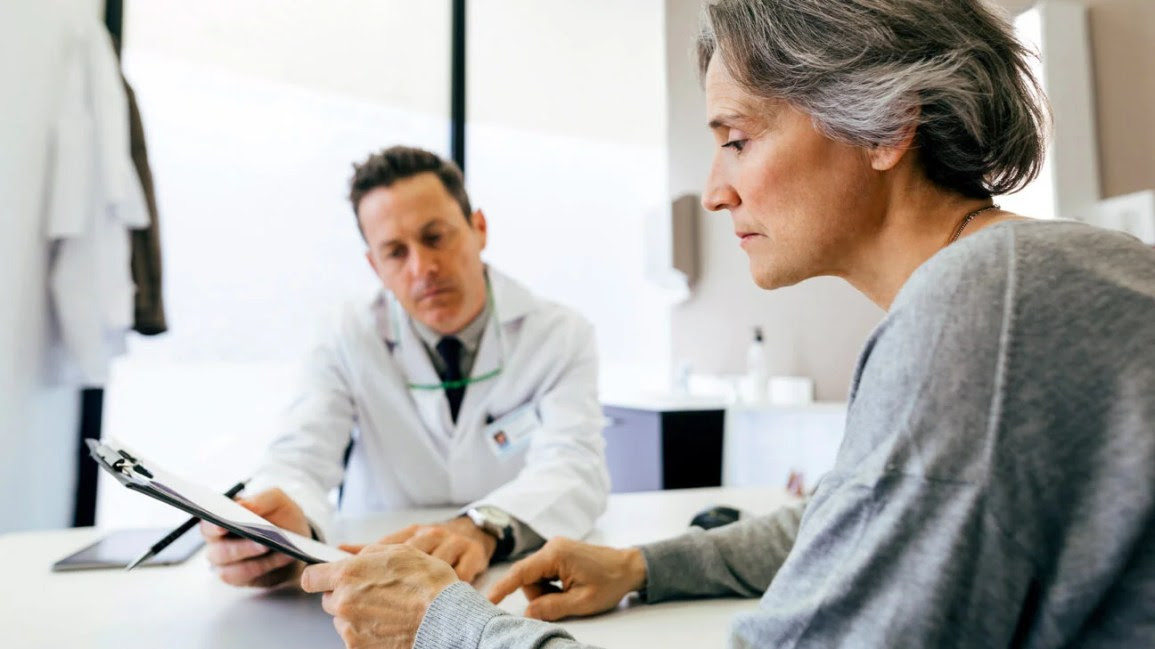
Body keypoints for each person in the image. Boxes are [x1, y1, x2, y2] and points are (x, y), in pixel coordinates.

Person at [298, 0, 1155, 647]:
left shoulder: (978, 311)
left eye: (737, 138)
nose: (713, 190)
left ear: (888, 125)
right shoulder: (1044, 273)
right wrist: (645, 565)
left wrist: (442, 621)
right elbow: (852, 512)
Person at [202, 146, 610, 588]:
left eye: (435, 237)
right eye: (396, 252)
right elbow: (300, 457)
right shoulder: (345, 335)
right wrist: (280, 527)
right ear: (374, 265)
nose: (424, 268)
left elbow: (574, 466)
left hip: (507, 575)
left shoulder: (559, 334)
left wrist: (483, 525)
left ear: (479, 229)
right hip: (378, 572)